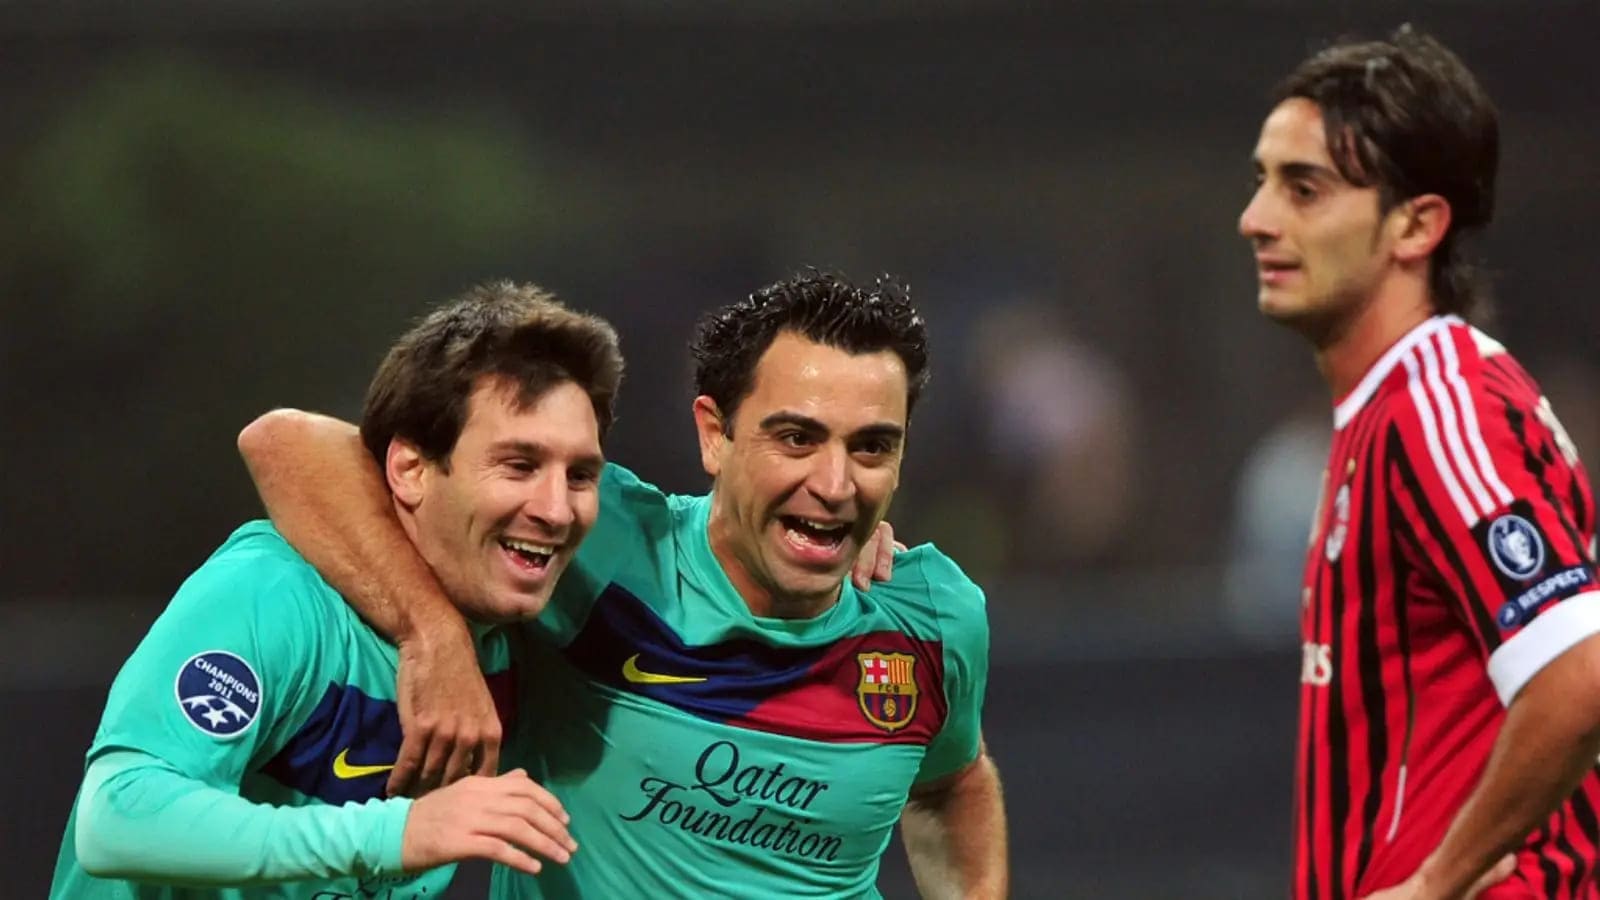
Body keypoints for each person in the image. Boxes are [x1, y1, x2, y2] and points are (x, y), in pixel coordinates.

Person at [237, 271, 1009, 898]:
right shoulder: (607, 546)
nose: (836, 484)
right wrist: (433, 637)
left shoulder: (931, 616)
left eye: (871, 448)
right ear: (715, 434)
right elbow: (288, 445)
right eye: (797, 439)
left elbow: (952, 782)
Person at [49, 282, 613, 898]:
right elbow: (118, 818)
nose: (556, 509)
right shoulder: (277, 592)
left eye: (580, 475)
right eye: (519, 466)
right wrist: (396, 833)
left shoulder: (528, 633)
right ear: (411, 469)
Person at [1240, 25, 1600, 900]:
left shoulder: (1440, 407)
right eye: (1262, 182)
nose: (1257, 219)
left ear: (1417, 223)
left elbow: (1579, 674)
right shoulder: (1387, 412)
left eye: (1304, 189)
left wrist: (1437, 882)